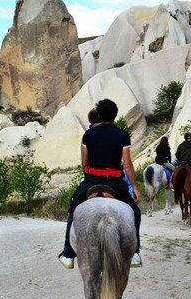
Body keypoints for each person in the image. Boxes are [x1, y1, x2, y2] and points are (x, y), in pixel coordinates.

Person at [59, 99, 142, 269]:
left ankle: (68, 254)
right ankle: (134, 253)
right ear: (115, 114)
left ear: (99, 115)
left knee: (73, 209)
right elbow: (127, 164)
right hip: (115, 182)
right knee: (134, 211)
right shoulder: (122, 135)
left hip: (92, 180)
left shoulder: (88, 135)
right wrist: (134, 187)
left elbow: (84, 162)